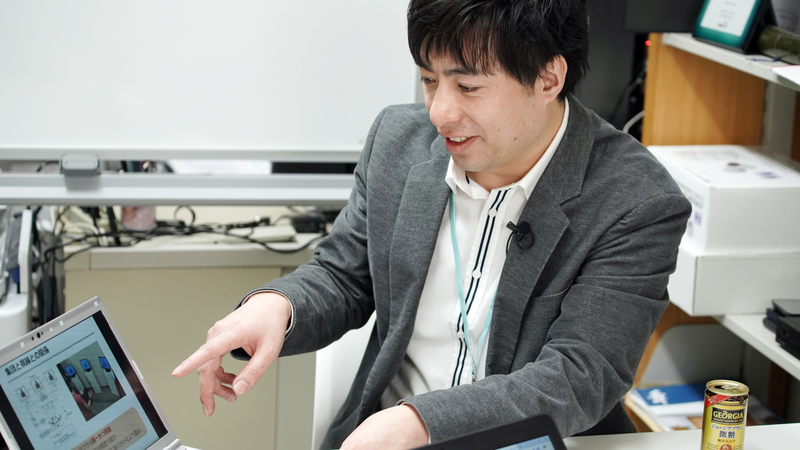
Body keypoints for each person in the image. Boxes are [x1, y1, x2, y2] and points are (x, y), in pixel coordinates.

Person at [173, 1, 691, 448]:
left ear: (548, 78)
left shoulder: (636, 201)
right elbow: (345, 275)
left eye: (467, 85)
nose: (440, 112)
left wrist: (422, 422)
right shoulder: (399, 141)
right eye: (428, 79)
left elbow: (579, 376)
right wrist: (277, 306)